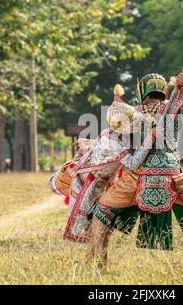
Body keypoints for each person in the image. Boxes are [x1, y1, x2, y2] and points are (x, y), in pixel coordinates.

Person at [88, 70, 183, 268]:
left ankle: (99, 266)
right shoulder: (177, 110)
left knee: (101, 212)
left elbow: (112, 135)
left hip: (137, 178)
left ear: (141, 91)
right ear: (165, 91)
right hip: (173, 177)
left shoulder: (131, 113)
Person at [51, 84, 157, 247]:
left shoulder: (111, 132)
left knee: (103, 220)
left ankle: (97, 255)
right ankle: (94, 257)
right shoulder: (114, 144)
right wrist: (149, 141)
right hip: (92, 184)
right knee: (95, 219)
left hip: (101, 180)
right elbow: (133, 163)